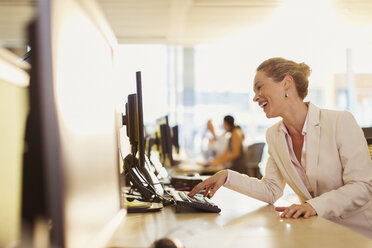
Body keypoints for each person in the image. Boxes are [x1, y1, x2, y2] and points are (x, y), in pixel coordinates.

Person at [189, 57, 372, 239]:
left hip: (356, 233)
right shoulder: (274, 135)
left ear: (286, 83)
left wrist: (314, 206)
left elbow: (363, 186)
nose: (255, 97)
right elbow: (271, 190)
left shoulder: (339, 122)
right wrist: (227, 176)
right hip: (316, 230)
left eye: (259, 87)